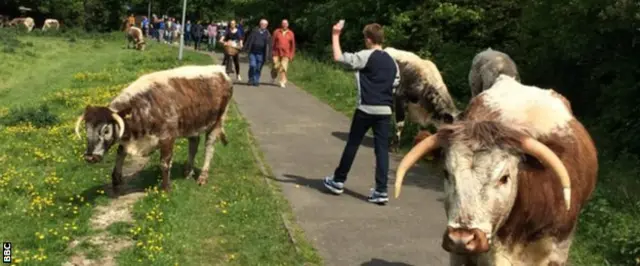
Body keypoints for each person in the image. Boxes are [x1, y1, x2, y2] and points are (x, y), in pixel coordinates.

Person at [323, 22, 400, 205]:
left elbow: (339, 57)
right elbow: (395, 84)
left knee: (353, 144)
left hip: (366, 108)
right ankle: (381, 191)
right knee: (381, 150)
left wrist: (335, 34)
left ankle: (338, 180)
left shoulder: (365, 56)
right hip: (385, 110)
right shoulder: (392, 62)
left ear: (368, 39)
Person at [242, 19, 272, 86]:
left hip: (261, 54)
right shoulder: (254, 31)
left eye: (265, 24)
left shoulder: (268, 34)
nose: (263, 25)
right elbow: (248, 40)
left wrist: (269, 56)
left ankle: (256, 80)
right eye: (262, 24)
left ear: (267, 25)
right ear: (260, 24)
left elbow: (270, 46)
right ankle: (250, 79)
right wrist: (244, 48)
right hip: (253, 52)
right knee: (252, 65)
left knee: (258, 68)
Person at [271, 19, 296, 88]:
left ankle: (282, 81)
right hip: (276, 52)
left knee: (283, 67)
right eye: (283, 23)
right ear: (281, 24)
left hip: (286, 53)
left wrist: (292, 54)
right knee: (276, 66)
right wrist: (271, 52)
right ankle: (273, 76)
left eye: (286, 23)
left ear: (288, 25)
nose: (284, 25)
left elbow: (293, 45)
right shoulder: (276, 32)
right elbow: (272, 43)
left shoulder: (291, 33)